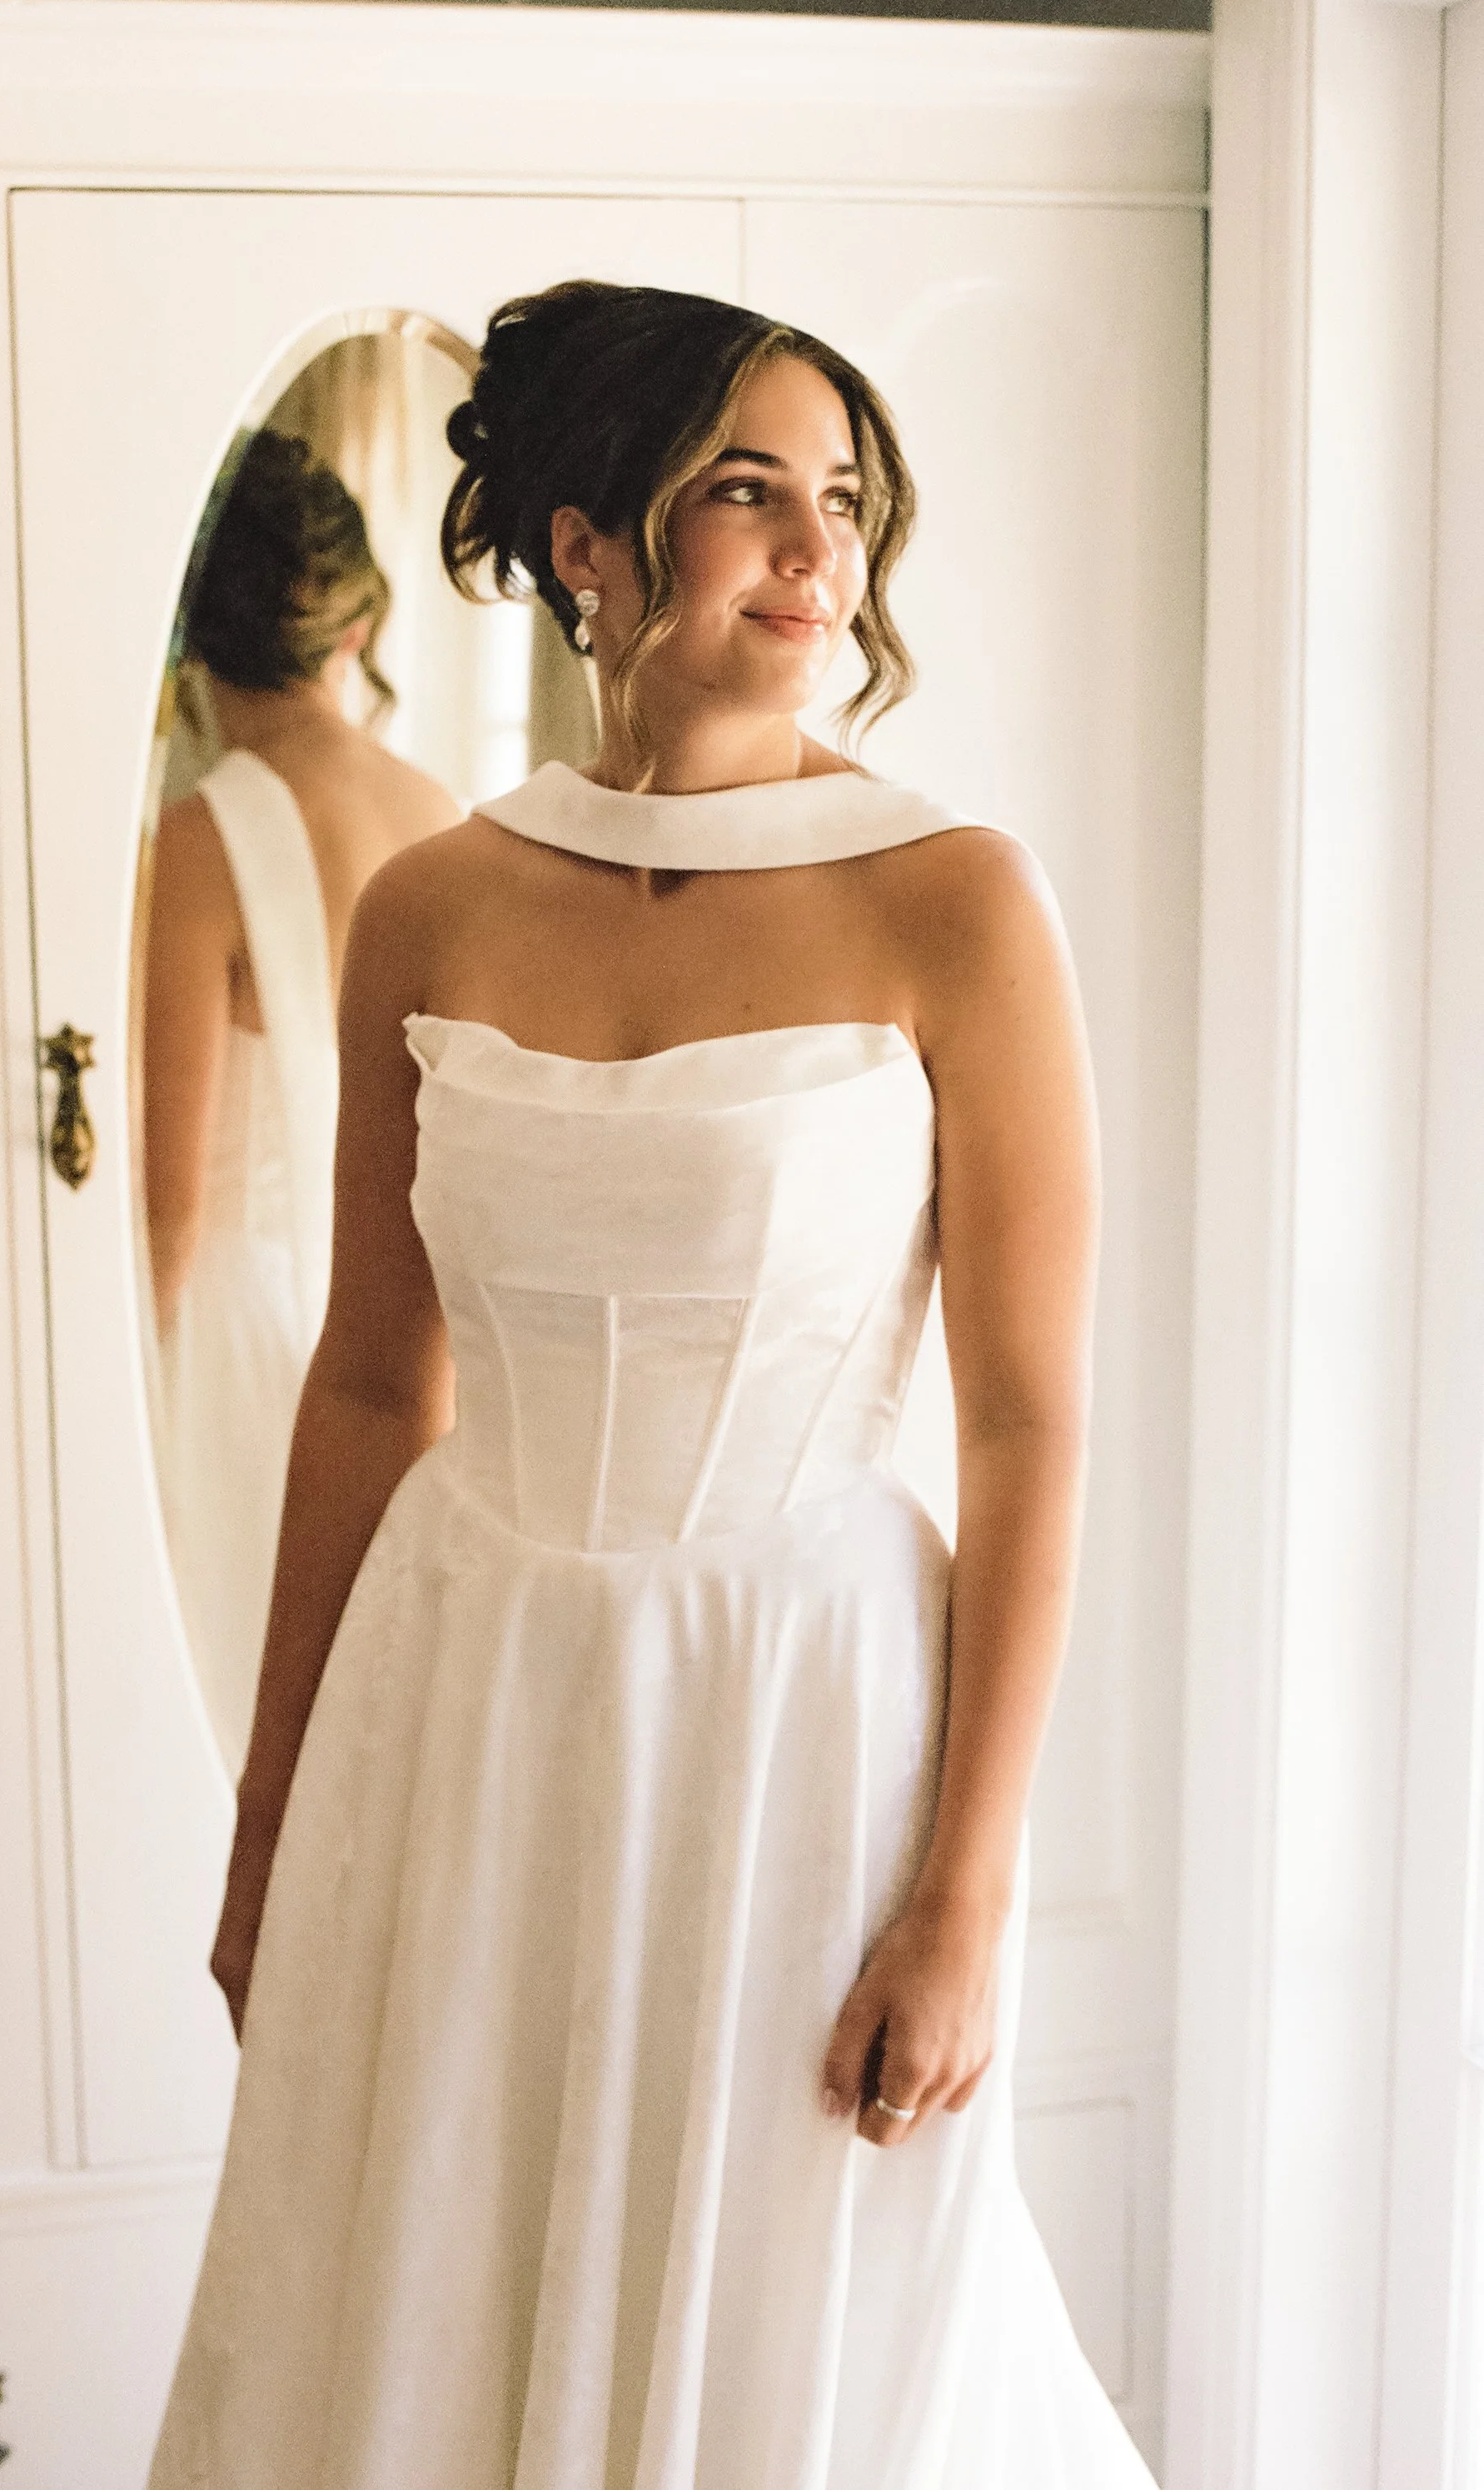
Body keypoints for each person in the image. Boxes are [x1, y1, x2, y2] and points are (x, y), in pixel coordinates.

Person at [150, 282, 1154, 2487]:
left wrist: (969, 1897)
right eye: (747, 495)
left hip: (803, 1722)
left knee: (789, 2355)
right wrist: (268, 1821)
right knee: (427, 2300)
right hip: (468, 1697)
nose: (820, 556)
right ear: (586, 541)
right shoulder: (431, 904)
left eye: (842, 503)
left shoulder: (955, 903)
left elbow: (1028, 1422)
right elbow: (367, 1374)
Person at [144, 430, 457, 1778]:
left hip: (234, 1341)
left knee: (209, 1715)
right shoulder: (438, 810)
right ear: (362, 616)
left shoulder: (201, 841)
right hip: (406, 1329)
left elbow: (164, 1207)